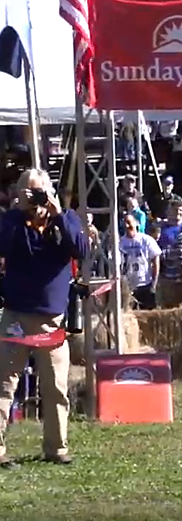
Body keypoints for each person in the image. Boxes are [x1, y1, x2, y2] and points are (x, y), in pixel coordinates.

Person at [0, 168, 89, 466]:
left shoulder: (65, 220)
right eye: (28, 191)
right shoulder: (11, 222)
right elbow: (3, 245)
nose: (34, 198)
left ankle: (57, 447)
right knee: (3, 386)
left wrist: (58, 213)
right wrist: (18, 210)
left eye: (39, 191)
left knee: (56, 389)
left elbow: (80, 248)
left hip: (52, 322)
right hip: (15, 317)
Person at [120, 213, 162, 310]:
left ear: (136, 223)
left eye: (129, 222)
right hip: (128, 285)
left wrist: (154, 283)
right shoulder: (120, 242)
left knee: (148, 315)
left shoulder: (146, 240)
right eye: (124, 223)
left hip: (145, 283)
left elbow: (155, 260)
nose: (127, 226)